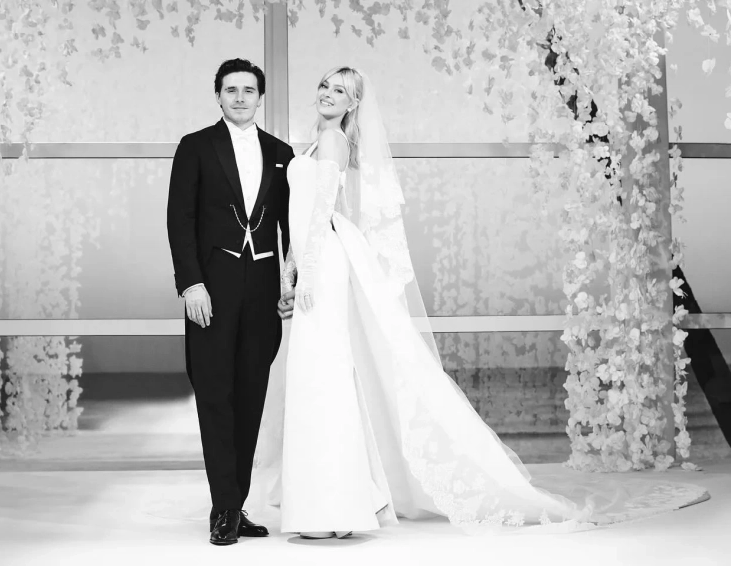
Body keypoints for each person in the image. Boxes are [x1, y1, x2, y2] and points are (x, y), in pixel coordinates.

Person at [261, 66, 708, 538]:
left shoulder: (333, 142)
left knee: (325, 375)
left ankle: (336, 509)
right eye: (325, 86)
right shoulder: (313, 145)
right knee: (321, 374)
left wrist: (307, 272)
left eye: (340, 91)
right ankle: (337, 506)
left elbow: (322, 213)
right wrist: (290, 272)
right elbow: (303, 216)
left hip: (325, 264)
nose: (328, 94)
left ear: (353, 103)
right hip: (316, 261)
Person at [167, 58, 295, 546]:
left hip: (262, 292)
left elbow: (292, 227)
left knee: (250, 398)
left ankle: (235, 505)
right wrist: (191, 285)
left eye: (248, 90)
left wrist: (292, 283)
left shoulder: (281, 153)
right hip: (211, 292)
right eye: (231, 90)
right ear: (218, 95)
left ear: (260, 97)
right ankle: (223, 507)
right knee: (215, 396)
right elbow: (179, 219)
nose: (240, 97)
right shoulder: (195, 147)